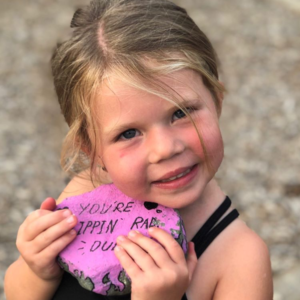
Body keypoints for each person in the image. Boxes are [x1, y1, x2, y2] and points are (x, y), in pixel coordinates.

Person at [4, 0, 273, 299]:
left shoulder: (239, 257)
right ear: (92, 151)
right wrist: (36, 270)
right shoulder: (85, 197)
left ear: (217, 100)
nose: (165, 149)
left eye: (181, 113)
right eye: (128, 133)